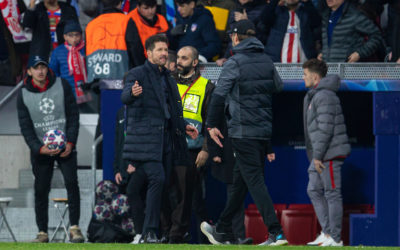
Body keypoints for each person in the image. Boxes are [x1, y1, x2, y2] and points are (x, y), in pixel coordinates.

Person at [200, 19, 287, 246]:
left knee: (255, 181)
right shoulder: (267, 60)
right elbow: (278, 87)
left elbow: (219, 95)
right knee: (240, 183)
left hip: (242, 130)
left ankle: (276, 232)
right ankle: (222, 229)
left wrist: (210, 125)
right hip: (262, 129)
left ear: (236, 37)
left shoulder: (234, 62)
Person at [121, 34, 198, 243]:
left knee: (162, 185)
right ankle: (149, 231)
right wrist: (133, 93)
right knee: (158, 179)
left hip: (165, 142)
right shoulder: (138, 73)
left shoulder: (167, 78)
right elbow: (125, 95)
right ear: (149, 53)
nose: (164, 53)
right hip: (146, 142)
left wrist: (184, 127)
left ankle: (154, 232)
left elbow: (171, 112)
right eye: (160, 50)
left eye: (166, 50)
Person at [16, 55, 84, 243]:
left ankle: (75, 228)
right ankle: (42, 231)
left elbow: (73, 115)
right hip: (42, 150)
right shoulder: (22, 95)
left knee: (72, 184)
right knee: (41, 189)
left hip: (66, 148)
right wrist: (39, 148)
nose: (40, 71)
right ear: (29, 71)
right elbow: (26, 127)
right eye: (36, 68)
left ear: (47, 69)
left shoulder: (62, 85)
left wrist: (70, 143)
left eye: (43, 67)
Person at [161, 46, 214, 243]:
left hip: (192, 149)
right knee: (166, 192)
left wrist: (206, 149)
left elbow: (211, 121)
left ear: (194, 62)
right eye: (178, 58)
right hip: (167, 147)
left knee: (188, 197)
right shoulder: (167, 83)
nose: (179, 62)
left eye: (184, 58)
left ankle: (177, 236)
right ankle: (171, 232)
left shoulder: (206, 86)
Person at [302, 59, 351, 247]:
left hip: (328, 154)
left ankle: (335, 238)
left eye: (305, 74)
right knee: (313, 189)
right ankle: (328, 232)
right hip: (321, 153)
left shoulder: (324, 96)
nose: (303, 77)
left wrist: (318, 156)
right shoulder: (316, 95)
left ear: (315, 77)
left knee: (332, 193)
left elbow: (326, 129)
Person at [318, 0, 384, 62]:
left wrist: (359, 53)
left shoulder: (354, 15)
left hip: (348, 68)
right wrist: (323, 52)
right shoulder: (326, 16)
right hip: (328, 67)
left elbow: (376, 35)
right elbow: (330, 41)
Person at [85, 0, 129, 82]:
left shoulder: (91, 25)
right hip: (122, 76)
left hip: (95, 77)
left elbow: (86, 53)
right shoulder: (127, 20)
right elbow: (134, 48)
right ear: (119, 3)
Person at [49, 21, 91, 107]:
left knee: (88, 116)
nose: (74, 38)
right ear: (65, 37)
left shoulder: (88, 49)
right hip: (67, 90)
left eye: (77, 35)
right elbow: (53, 72)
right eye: (70, 35)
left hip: (86, 90)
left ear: (81, 36)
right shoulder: (58, 51)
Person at [126, 0, 169, 68]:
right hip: (139, 63)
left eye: (153, 7)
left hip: (160, 61)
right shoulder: (130, 20)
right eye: (146, 8)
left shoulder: (162, 20)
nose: (150, 11)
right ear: (138, 7)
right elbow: (134, 50)